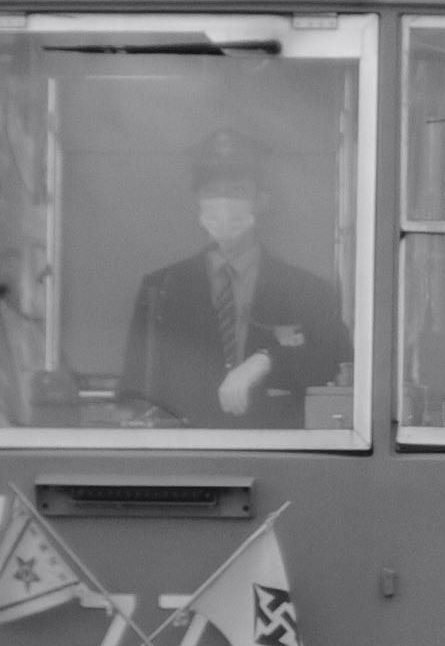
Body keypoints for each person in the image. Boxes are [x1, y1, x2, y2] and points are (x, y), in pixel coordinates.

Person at [125, 128, 353, 427]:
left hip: (280, 452)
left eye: (237, 192)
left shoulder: (306, 290)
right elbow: (136, 388)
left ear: (261, 201)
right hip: (188, 454)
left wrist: (266, 360)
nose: (224, 204)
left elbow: (333, 357)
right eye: (212, 193)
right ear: (196, 202)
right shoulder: (162, 288)